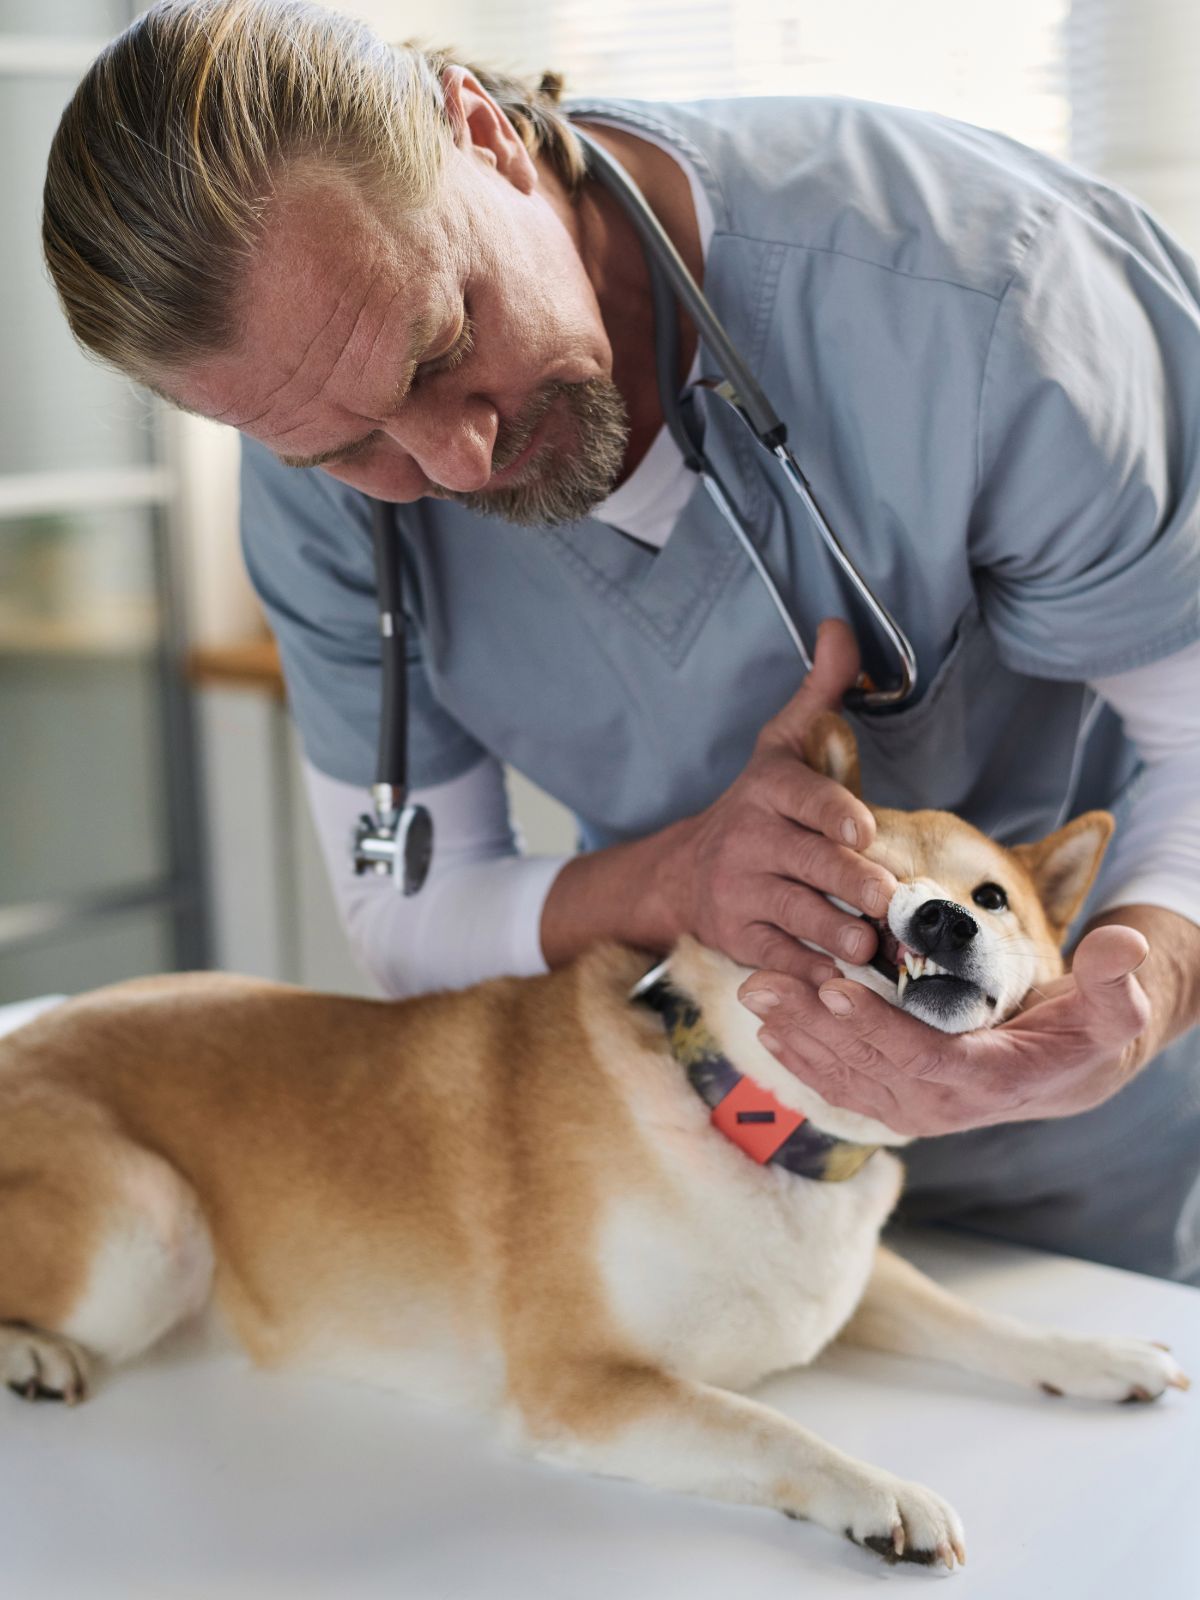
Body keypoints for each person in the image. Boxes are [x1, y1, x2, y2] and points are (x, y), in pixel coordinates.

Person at [43, 0, 1200, 1280]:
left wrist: (1130, 999)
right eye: (347, 448)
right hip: (691, 1176)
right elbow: (408, 903)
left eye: (441, 344)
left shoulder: (982, 295)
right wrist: (675, 878)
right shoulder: (319, 504)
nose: (453, 459)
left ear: (479, 131)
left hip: (1074, 1167)